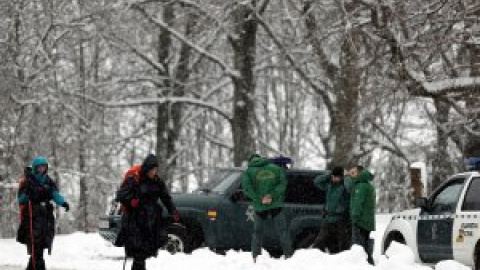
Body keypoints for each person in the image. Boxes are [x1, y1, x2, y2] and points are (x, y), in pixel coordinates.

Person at [114, 154, 180, 270]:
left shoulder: (157, 182)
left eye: (155, 170)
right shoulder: (135, 179)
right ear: (146, 168)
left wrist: (173, 211)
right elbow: (121, 195)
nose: (153, 172)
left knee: (143, 253)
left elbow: (166, 198)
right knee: (139, 252)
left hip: (151, 222)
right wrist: (131, 201)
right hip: (135, 221)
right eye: (152, 170)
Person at [17, 156, 70, 270]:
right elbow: (21, 199)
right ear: (35, 168)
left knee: (40, 246)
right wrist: (28, 195)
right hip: (32, 217)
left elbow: (55, 194)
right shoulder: (27, 181)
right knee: (36, 246)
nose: (42, 169)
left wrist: (63, 203)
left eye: (44, 167)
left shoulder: (48, 180)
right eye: (40, 167)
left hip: (45, 217)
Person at [242, 154, 293, 261]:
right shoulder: (275, 168)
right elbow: (283, 183)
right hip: (276, 205)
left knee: (258, 233)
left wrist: (259, 199)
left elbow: (247, 189)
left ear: (251, 161)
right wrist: (272, 195)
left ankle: (255, 257)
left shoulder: (248, 172)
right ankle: (289, 255)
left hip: (260, 207)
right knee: (283, 231)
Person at [312, 166, 351, 254]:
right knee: (319, 242)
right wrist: (330, 173)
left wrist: (347, 176)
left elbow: (350, 186)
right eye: (333, 177)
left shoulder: (344, 187)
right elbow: (316, 181)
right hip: (328, 218)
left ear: (341, 177)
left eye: (336, 177)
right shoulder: (329, 186)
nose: (334, 178)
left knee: (343, 245)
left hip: (341, 220)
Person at [348, 165, 375, 265]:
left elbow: (357, 203)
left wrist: (354, 217)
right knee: (365, 242)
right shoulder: (367, 185)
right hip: (367, 221)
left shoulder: (361, 186)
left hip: (360, 220)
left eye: (354, 172)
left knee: (359, 245)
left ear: (359, 173)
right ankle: (369, 262)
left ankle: (365, 263)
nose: (352, 174)